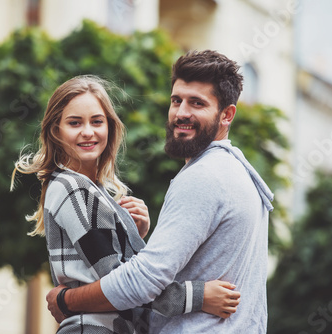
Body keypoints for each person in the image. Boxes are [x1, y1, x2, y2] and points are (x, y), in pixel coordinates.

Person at [46, 51, 274, 333]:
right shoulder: (238, 172)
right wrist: (131, 234)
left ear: (226, 115)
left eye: (197, 103)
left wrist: (66, 300)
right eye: (176, 100)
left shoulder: (203, 177)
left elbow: (142, 281)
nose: (181, 113)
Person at [11, 75, 240, 334]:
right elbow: (125, 284)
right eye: (75, 123)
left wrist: (133, 233)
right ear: (56, 131)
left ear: (109, 126)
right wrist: (199, 296)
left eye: (97, 121)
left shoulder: (93, 190)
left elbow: (111, 271)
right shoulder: (72, 189)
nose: (88, 131)